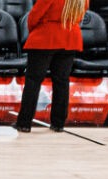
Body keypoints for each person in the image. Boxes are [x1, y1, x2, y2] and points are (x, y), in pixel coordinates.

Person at [15, 0, 85, 132]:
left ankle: (24, 123)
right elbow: (80, 16)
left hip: (46, 36)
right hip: (70, 36)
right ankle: (58, 124)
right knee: (62, 82)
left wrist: (36, 31)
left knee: (33, 81)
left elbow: (34, 16)